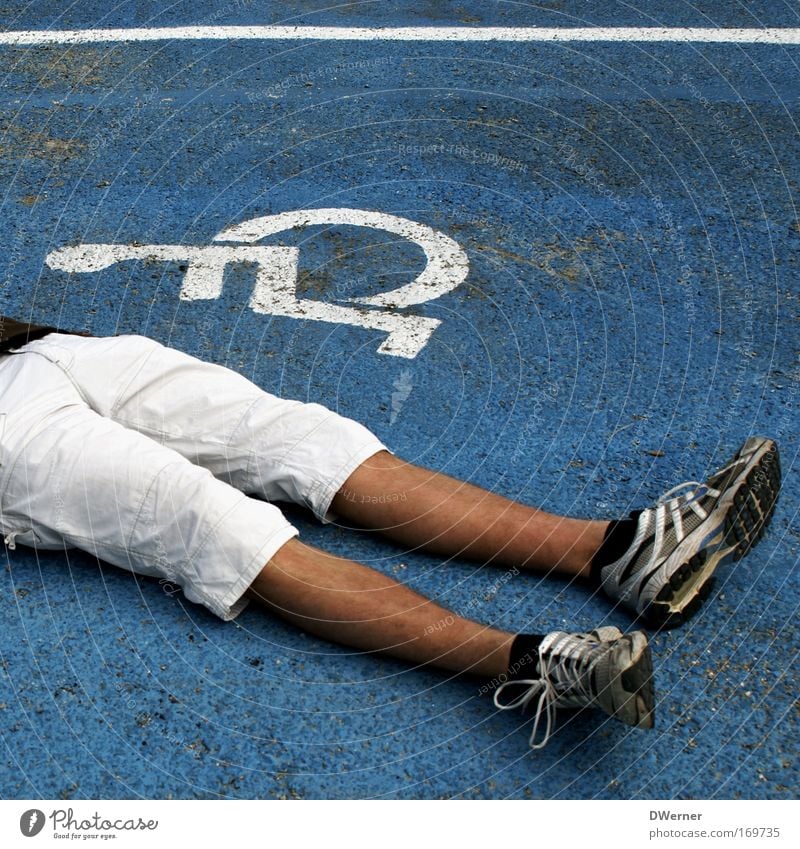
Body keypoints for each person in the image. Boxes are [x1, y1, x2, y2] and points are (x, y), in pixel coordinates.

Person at [0, 315, 781, 749]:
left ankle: (620, 554)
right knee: (211, 522)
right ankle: (528, 663)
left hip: (44, 348)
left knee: (309, 442)